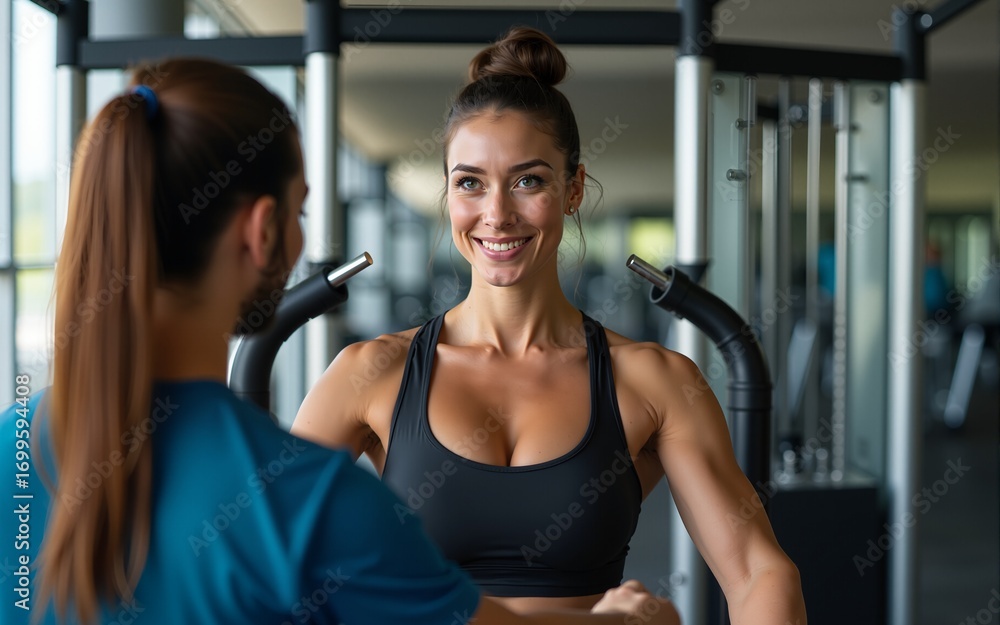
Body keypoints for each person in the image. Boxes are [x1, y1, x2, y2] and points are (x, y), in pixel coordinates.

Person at [0, 58, 677, 625]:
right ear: (263, 231)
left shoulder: (10, 445)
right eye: (299, 210)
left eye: (528, 179)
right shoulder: (309, 499)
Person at [293, 26, 807, 624]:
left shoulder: (653, 381)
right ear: (449, 194)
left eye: (528, 180)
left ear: (573, 189)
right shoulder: (371, 373)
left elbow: (760, 573)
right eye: (470, 183)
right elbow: (263, 560)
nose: (497, 214)